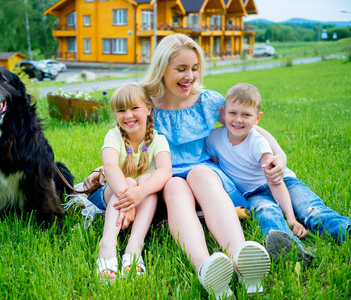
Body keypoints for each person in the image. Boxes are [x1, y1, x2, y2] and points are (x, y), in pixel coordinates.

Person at [85, 34, 286, 298]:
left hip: (205, 180)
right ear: (162, 69)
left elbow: (251, 128)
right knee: (176, 184)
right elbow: (124, 141)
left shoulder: (208, 102)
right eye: (181, 69)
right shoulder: (145, 103)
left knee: (200, 172)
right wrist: (100, 171)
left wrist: (278, 155)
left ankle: (241, 258)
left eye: (194, 68)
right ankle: (206, 267)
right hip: (162, 182)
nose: (189, 76)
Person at [205, 83, 350, 267]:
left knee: (311, 209)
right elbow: (217, 165)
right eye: (233, 113)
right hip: (253, 193)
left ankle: (346, 230)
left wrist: (290, 217)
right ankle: (289, 248)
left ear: (257, 118)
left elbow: (275, 180)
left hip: (284, 183)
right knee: (266, 212)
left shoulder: (257, 142)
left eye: (246, 115)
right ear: (223, 113)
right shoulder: (214, 138)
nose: (238, 120)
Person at [91, 83, 172, 281]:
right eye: (121, 110)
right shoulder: (114, 136)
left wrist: (140, 193)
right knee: (127, 180)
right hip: (111, 195)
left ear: (148, 109)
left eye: (134, 108)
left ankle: (134, 247)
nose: (128, 115)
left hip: (144, 200)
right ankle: (107, 244)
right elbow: (110, 167)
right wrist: (128, 198)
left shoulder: (158, 140)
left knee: (146, 180)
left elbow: (164, 170)